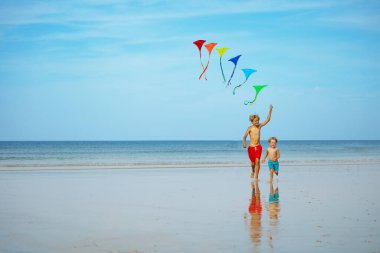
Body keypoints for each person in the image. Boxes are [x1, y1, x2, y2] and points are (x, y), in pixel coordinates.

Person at [243, 104, 273, 180]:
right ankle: (252, 171)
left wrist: (270, 110)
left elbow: (268, 119)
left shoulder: (259, 126)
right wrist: (244, 142)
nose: (257, 122)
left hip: (258, 146)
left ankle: (256, 176)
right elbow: (245, 136)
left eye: (258, 120)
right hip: (251, 148)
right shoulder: (249, 128)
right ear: (252, 121)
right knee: (253, 163)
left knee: (257, 161)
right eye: (255, 121)